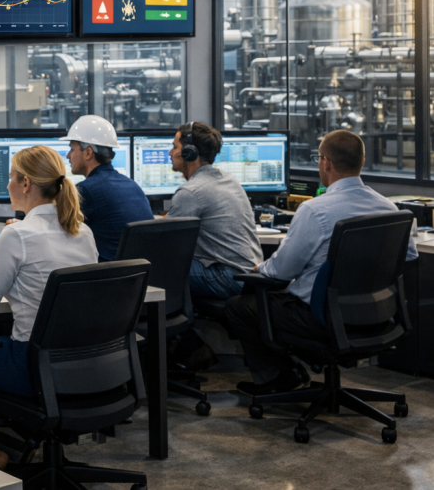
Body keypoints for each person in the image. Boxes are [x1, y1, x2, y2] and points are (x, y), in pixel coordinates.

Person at [226, 130, 418, 395]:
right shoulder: (390, 208)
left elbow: (283, 271)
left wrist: (261, 268)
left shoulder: (315, 210)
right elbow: (408, 255)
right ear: (361, 162)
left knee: (240, 307)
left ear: (325, 163)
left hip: (321, 319)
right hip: (378, 314)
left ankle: (280, 378)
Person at [0, 145, 97, 467]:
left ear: (26, 183)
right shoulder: (84, 232)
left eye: (11, 178)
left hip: (32, 367)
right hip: (86, 365)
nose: (9, 185)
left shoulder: (18, 236)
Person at [167, 121, 262, 299]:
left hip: (227, 278)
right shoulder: (229, 179)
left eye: (174, 147)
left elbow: (165, 242)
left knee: (160, 264)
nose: (170, 153)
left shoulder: (190, 192)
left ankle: (173, 323)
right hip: (251, 277)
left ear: (189, 153)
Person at [62, 115, 153, 261]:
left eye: (72, 149)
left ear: (88, 153)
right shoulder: (131, 184)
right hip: (137, 276)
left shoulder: (85, 190)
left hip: (109, 277)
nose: (68, 156)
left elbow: (57, 234)